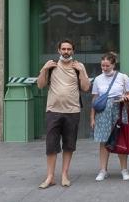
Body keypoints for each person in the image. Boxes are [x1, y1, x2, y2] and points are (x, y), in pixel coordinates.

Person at [36, 39, 91, 189]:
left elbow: (86, 88)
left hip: (72, 111)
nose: (66, 52)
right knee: (51, 145)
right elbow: (40, 85)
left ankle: (65, 175)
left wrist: (81, 71)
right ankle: (50, 177)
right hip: (53, 111)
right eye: (64, 49)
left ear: (73, 51)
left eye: (69, 49)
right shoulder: (51, 66)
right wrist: (44, 69)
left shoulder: (78, 66)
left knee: (69, 145)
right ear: (59, 50)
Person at [90, 52, 129, 182]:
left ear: (113, 65)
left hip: (119, 110)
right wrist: (92, 117)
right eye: (102, 65)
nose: (104, 68)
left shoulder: (123, 77)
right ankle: (103, 170)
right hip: (103, 112)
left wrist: (126, 98)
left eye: (107, 66)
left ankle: (124, 169)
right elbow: (95, 99)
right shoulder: (98, 79)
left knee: (121, 139)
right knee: (103, 141)